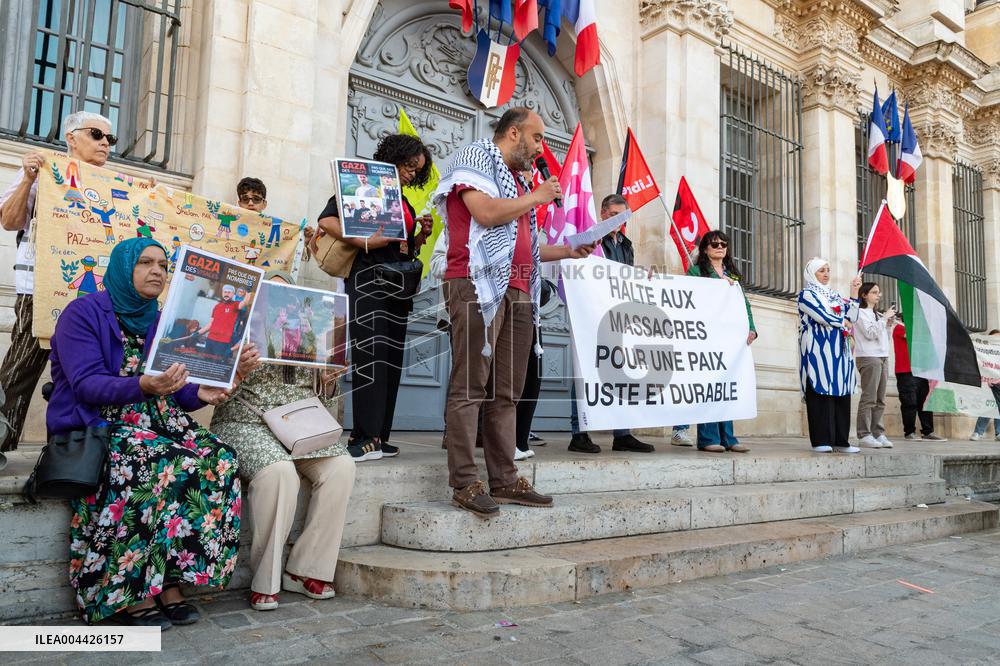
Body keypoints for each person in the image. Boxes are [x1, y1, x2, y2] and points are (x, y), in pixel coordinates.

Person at [47, 238, 256, 629]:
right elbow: (86, 384)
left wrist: (206, 391)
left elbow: (177, 390)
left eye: (162, 264)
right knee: (157, 461)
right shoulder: (83, 313)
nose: (157, 271)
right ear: (123, 268)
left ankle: (169, 578)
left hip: (158, 419)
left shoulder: (162, 320)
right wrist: (143, 385)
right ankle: (130, 589)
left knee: (219, 458)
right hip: (99, 423)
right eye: (145, 263)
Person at [432, 106, 593, 519]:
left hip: (519, 289)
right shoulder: (474, 157)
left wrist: (568, 250)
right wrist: (537, 197)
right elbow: (485, 213)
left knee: (507, 392)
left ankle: (504, 479)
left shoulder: (520, 182)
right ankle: (465, 481)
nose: (541, 149)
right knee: (471, 385)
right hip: (475, 282)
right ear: (514, 133)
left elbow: (527, 246)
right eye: (538, 138)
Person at [210, 271, 356, 611]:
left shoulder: (308, 332)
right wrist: (238, 369)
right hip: (245, 421)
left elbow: (324, 397)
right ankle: (265, 579)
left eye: (286, 295)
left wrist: (329, 379)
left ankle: (305, 569)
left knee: (342, 466)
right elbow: (213, 390)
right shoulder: (237, 329)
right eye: (270, 293)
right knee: (279, 472)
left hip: (298, 424)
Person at [0, 111, 116, 462]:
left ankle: (74, 456)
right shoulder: (43, 172)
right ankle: (1, 441)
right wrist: (28, 179)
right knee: (21, 367)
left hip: (94, 299)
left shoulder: (113, 186)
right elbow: (9, 221)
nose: (105, 144)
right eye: (97, 134)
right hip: (41, 289)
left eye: (110, 139)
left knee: (84, 372)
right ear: (71, 137)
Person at [317, 134, 434, 461]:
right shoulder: (363, 186)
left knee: (391, 360)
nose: (411, 173)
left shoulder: (404, 201)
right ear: (393, 158)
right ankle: (364, 436)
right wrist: (365, 242)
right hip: (368, 281)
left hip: (398, 289)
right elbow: (326, 220)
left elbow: (400, 248)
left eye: (417, 170)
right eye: (409, 165)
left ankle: (379, 435)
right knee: (370, 356)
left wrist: (420, 236)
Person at [568, 195, 654, 454]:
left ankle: (622, 434)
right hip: (590, 312)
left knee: (620, 371)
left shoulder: (626, 244)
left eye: (624, 215)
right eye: (615, 214)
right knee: (585, 371)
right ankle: (579, 433)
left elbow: (624, 276)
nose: (619, 220)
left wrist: (640, 275)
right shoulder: (591, 238)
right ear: (603, 213)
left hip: (617, 316)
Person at [687, 230, 756, 453]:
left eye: (723, 244)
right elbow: (690, 300)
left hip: (730, 339)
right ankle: (708, 438)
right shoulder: (696, 271)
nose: (719, 247)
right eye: (714, 244)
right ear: (705, 248)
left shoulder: (732, 274)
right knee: (709, 385)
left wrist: (751, 328)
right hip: (707, 337)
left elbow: (744, 303)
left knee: (727, 385)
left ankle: (729, 438)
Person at [798, 258, 862, 453]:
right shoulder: (806, 294)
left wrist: (854, 293)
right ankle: (821, 440)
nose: (826, 274)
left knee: (841, 392)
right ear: (812, 273)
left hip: (839, 350)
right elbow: (822, 316)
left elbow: (852, 317)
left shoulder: (834, 295)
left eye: (828, 270)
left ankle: (841, 441)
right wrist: (843, 321)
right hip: (818, 350)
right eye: (821, 270)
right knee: (820, 391)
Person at [854, 283, 896, 448]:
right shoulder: (860, 313)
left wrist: (888, 324)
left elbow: (884, 338)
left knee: (880, 399)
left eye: (879, 292)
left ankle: (878, 433)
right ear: (864, 295)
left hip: (883, 357)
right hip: (869, 357)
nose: (878, 295)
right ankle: (864, 434)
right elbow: (870, 334)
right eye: (874, 292)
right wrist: (884, 319)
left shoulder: (877, 314)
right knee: (869, 397)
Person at [892, 316, 946, 441]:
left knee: (925, 403)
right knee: (909, 402)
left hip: (920, 371)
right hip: (905, 371)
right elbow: (913, 337)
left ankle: (928, 431)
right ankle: (909, 432)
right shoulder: (899, 327)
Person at [198, 285, 247, 359]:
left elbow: (241, 341)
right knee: (206, 361)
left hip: (224, 343)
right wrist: (198, 333)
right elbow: (210, 324)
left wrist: (230, 350)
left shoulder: (235, 305)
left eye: (229, 292)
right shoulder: (217, 306)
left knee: (218, 362)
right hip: (210, 340)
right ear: (222, 293)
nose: (226, 294)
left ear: (233, 294)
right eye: (225, 292)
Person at [971, 329, 1000, 441]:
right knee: (987, 407)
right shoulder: (983, 352)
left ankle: (998, 432)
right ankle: (978, 432)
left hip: (998, 383)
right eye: (994, 338)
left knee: (997, 408)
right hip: (987, 384)